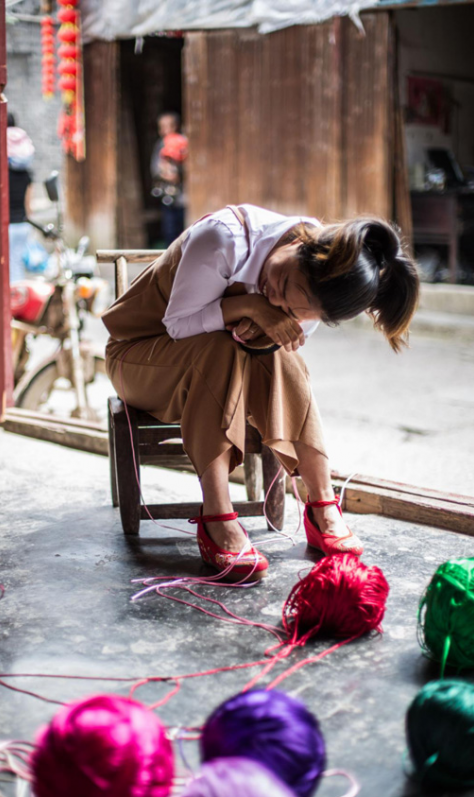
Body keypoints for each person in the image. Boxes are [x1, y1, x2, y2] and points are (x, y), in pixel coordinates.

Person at [102, 204, 419, 581]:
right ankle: (216, 515)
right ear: (303, 242)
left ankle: (321, 502)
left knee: (283, 357)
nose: (277, 300)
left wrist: (265, 322)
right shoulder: (224, 240)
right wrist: (252, 306)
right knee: (219, 350)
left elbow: (281, 334)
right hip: (137, 356)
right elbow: (178, 325)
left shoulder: (316, 285)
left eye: (293, 309)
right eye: (283, 285)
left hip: (215, 367)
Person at [151, 112, 188, 247]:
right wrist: (165, 175)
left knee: (186, 229)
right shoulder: (160, 145)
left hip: (184, 196)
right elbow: (154, 168)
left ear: (176, 126)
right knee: (169, 230)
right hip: (168, 195)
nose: (165, 130)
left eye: (169, 126)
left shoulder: (184, 142)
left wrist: (179, 176)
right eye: (162, 127)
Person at [7, 112, 34, 283]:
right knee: (17, 263)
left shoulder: (3, 172)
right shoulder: (26, 174)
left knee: (9, 265)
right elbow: (28, 203)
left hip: (7, 223)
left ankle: (13, 302)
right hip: (22, 223)